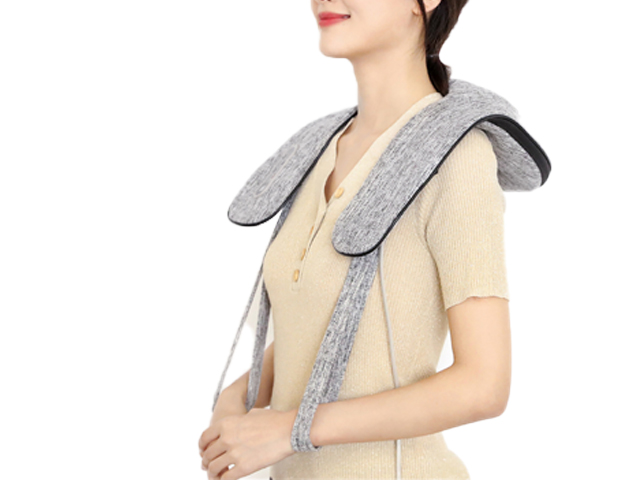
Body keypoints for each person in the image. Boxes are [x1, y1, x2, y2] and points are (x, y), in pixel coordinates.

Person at [200, 0, 515, 478]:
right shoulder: (317, 149)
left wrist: (291, 430)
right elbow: (319, 329)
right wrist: (238, 396)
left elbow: (484, 385)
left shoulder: (457, 158)